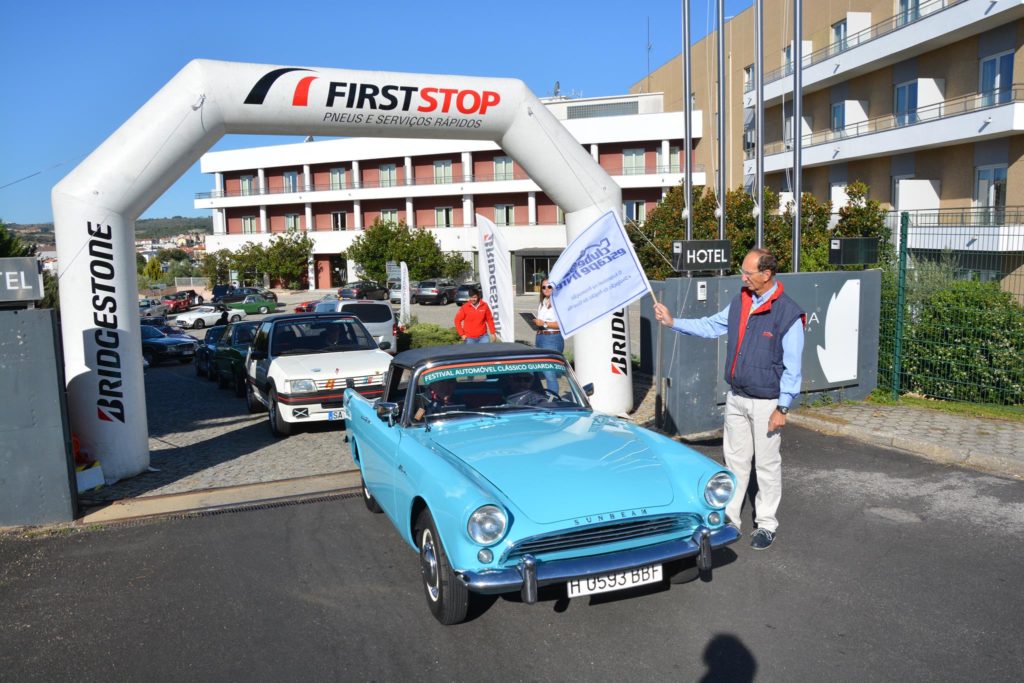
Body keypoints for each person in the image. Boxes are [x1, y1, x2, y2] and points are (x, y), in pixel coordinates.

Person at [653, 248, 805, 551]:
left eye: (748, 273)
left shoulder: (788, 313)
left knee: (766, 465)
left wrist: (783, 407)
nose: (743, 276)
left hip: (767, 403)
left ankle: (766, 524)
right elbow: (711, 326)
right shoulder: (741, 301)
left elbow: (794, 366)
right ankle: (730, 519)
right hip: (736, 398)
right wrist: (673, 322)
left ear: (767, 274)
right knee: (735, 462)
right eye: (743, 271)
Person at [532, 278, 563, 394]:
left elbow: (562, 324)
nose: (546, 289)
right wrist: (536, 323)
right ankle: (541, 396)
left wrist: (544, 323)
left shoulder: (559, 303)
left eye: (549, 286)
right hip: (540, 336)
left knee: (549, 372)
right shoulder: (543, 302)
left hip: (552, 338)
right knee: (539, 369)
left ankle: (553, 400)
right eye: (543, 287)